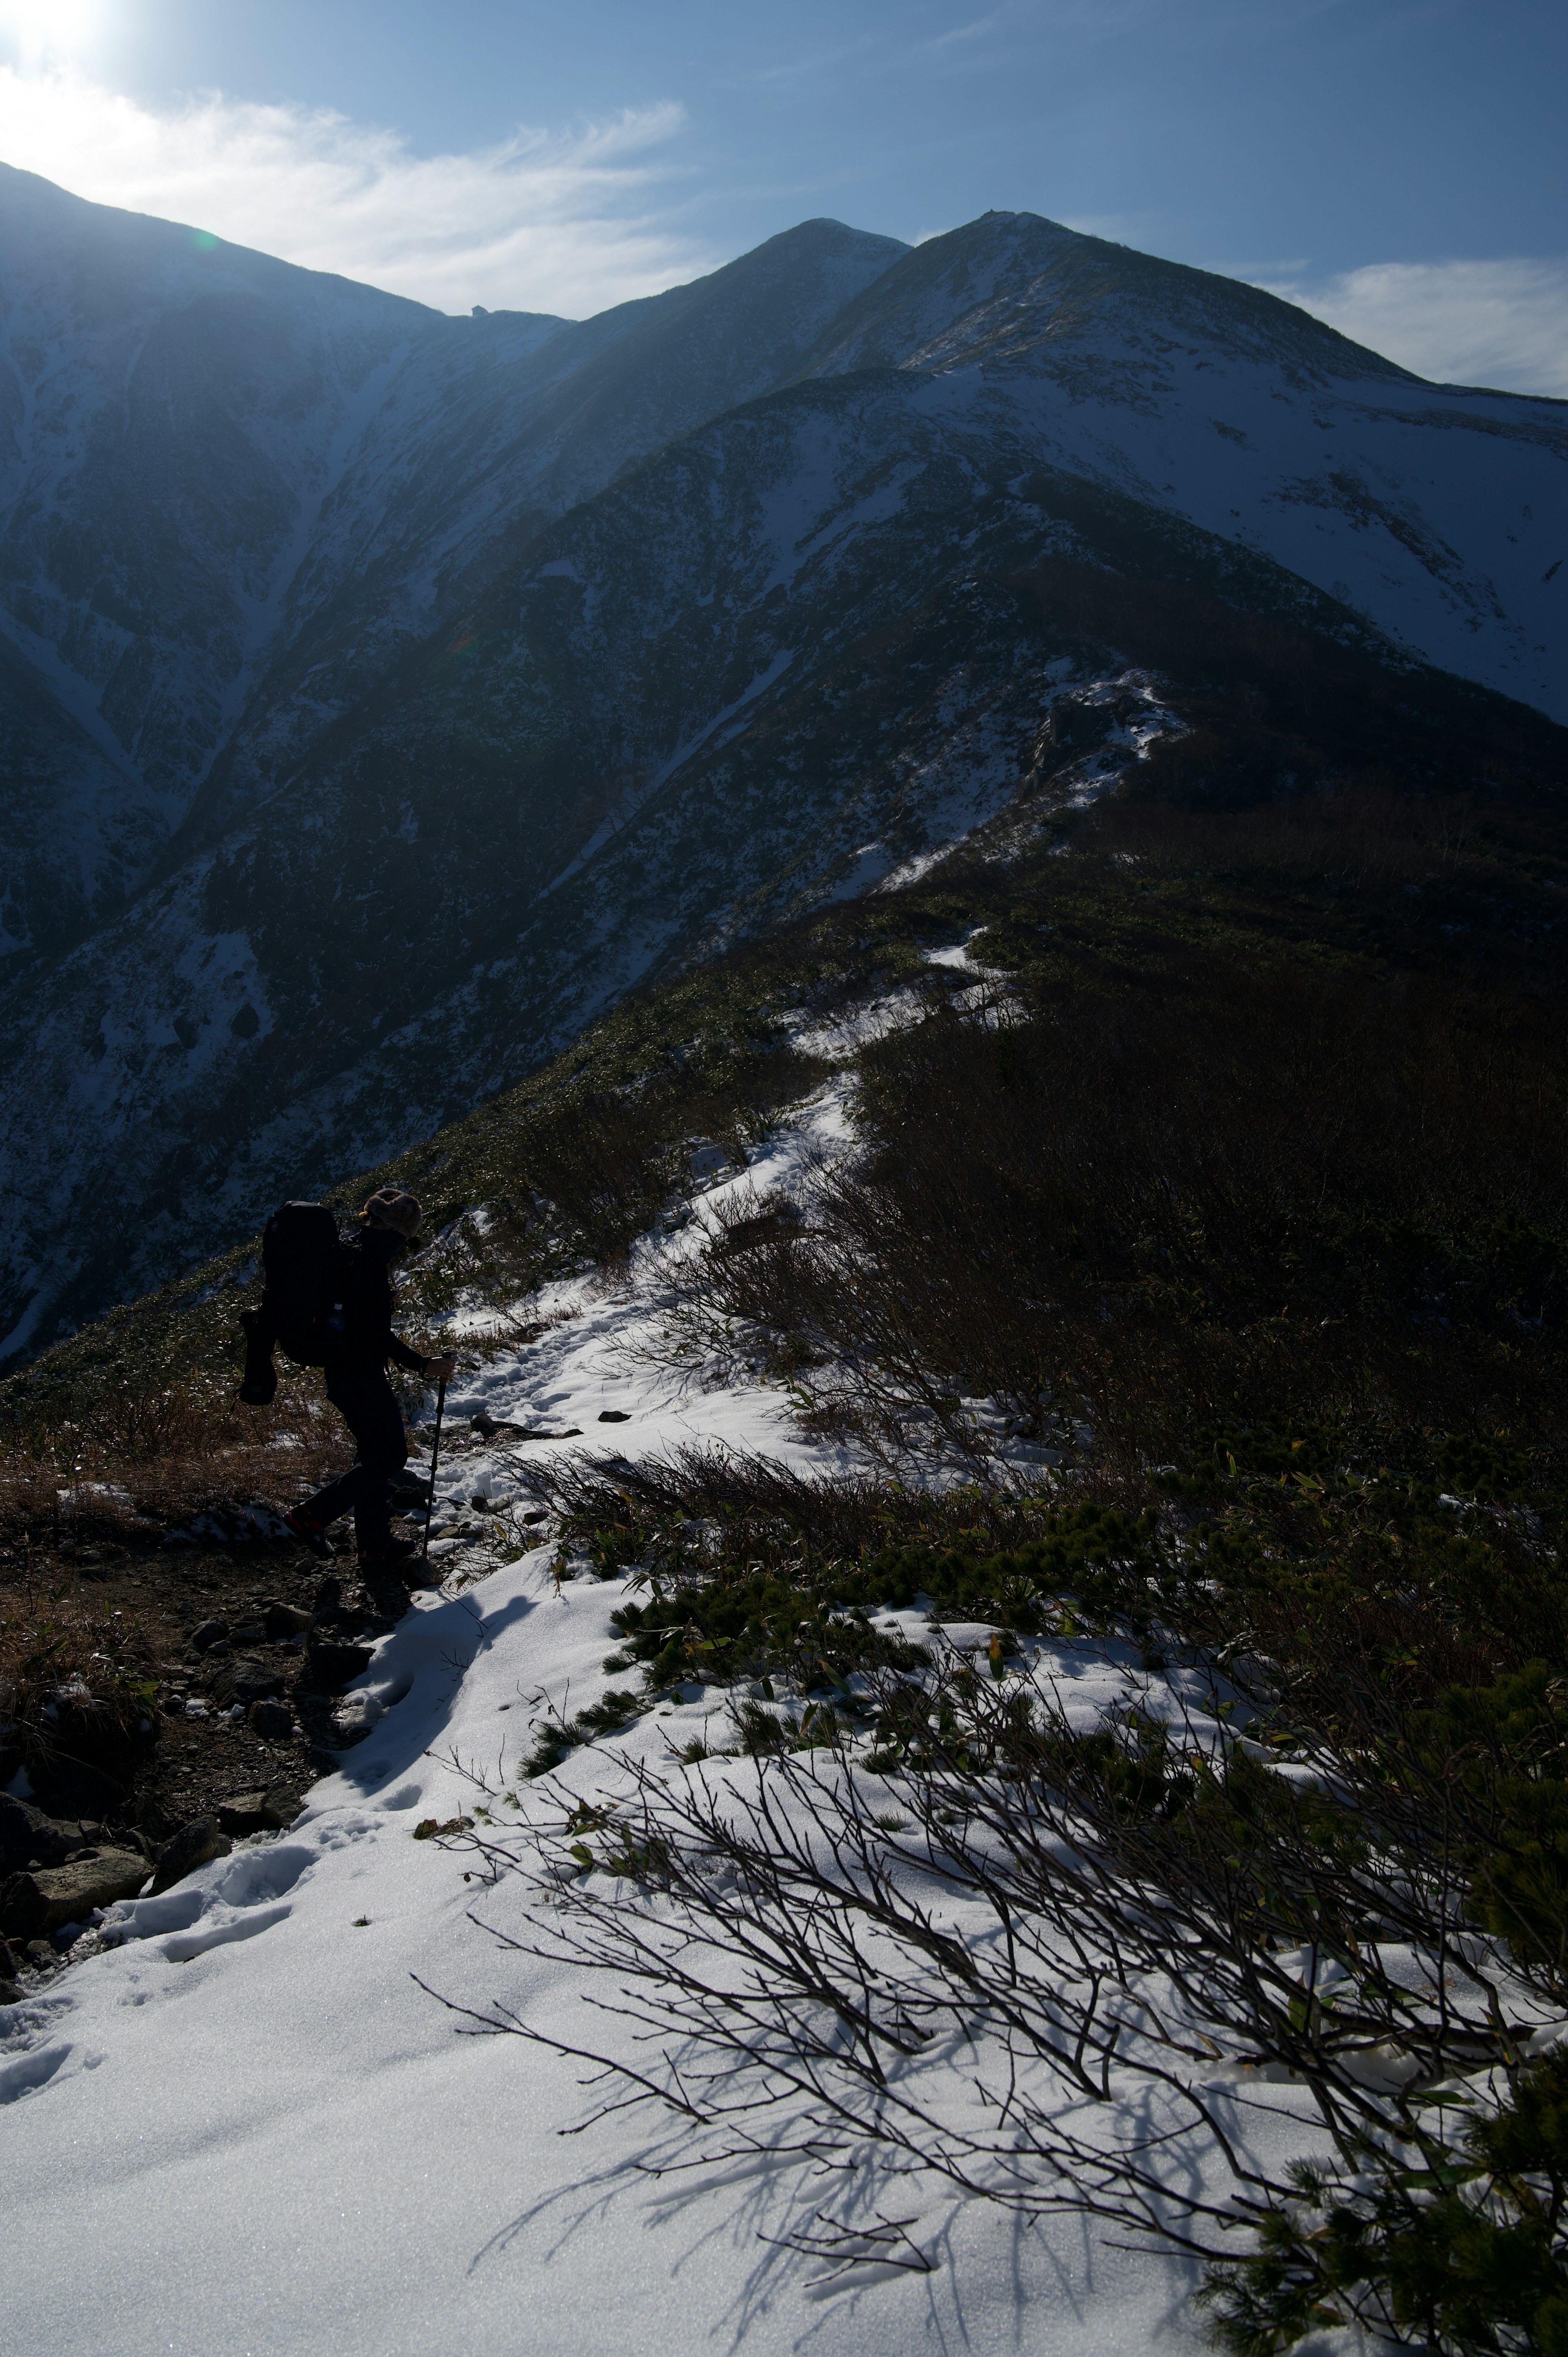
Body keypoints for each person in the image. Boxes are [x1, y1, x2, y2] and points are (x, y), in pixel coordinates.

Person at [283, 1187, 457, 1570]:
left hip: (345, 1372)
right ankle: (310, 1516)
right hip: (358, 1374)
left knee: (372, 1454)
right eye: (404, 1238)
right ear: (394, 1232)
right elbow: (376, 1334)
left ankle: (374, 1545)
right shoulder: (369, 1266)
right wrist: (423, 1364)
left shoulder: (351, 1253)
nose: (402, 1245)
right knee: (391, 1454)